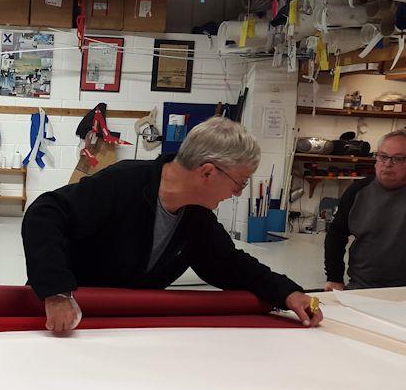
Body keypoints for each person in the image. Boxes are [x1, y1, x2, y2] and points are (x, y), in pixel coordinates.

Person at [22, 117, 323, 333]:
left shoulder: (196, 218)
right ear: (207, 172)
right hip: (69, 320)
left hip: (127, 328)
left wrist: (287, 292)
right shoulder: (123, 183)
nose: (236, 194)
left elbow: (230, 264)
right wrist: (57, 291)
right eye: (239, 183)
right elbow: (44, 214)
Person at [324, 129, 406, 290]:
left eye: (398, 159)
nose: (388, 164)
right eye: (383, 156)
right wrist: (334, 278)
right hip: (361, 287)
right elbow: (336, 235)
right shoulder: (358, 190)